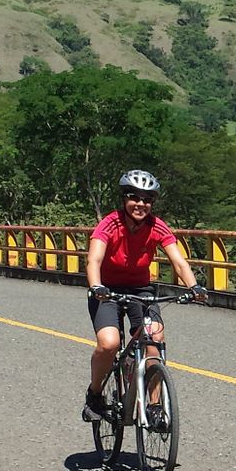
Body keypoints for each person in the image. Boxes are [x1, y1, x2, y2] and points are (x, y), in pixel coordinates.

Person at [83, 169, 207, 421]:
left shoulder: (157, 226)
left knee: (154, 341)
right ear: (123, 199)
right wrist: (96, 287)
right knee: (109, 344)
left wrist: (194, 287)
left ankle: (153, 406)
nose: (141, 204)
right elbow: (93, 259)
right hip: (107, 290)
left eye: (147, 199)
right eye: (134, 197)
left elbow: (179, 262)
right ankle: (94, 394)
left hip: (141, 291)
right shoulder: (110, 223)